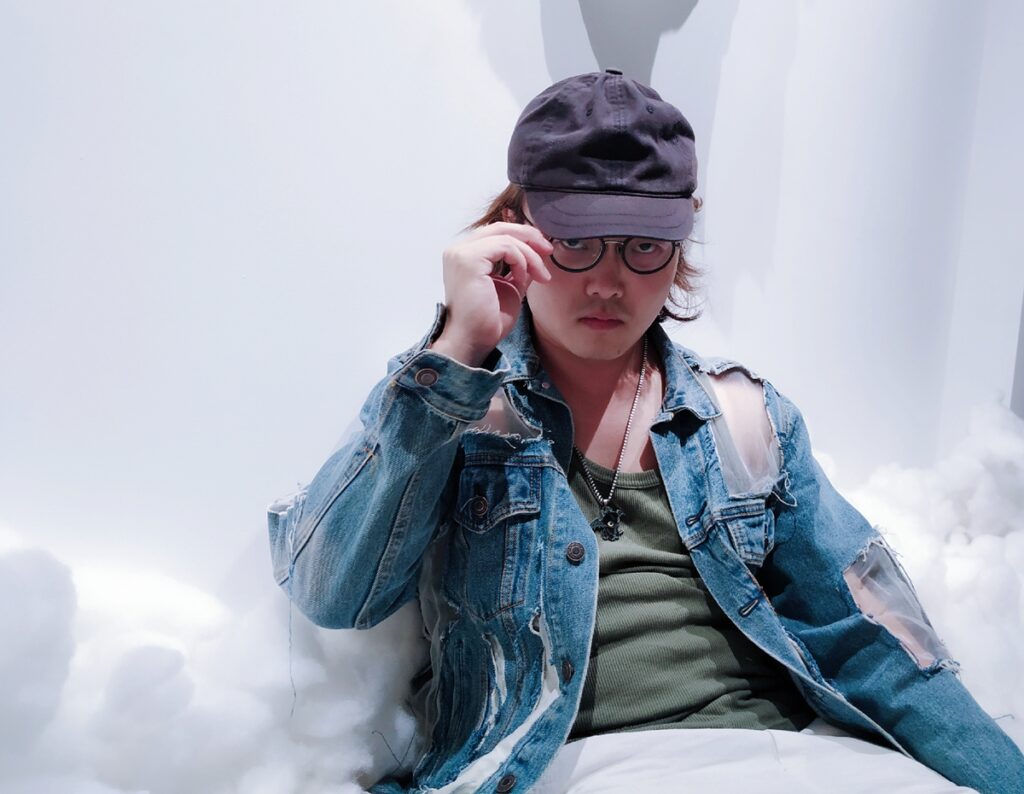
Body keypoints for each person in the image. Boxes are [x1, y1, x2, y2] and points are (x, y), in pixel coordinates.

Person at [267, 71, 1024, 793]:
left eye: (644, 245)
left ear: (679, 245)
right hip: (559, 766)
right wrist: (458, 350)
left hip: (781, 756)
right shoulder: (454, 408)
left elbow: (878, 648)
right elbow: (333, 593)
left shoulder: (745, 420)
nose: (608, 281)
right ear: (515, 229)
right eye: (576, 241)